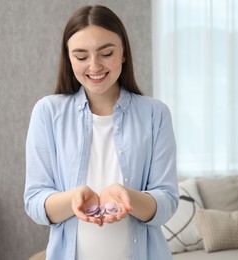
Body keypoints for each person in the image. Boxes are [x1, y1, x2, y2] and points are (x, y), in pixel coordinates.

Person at [24, 5, 178, 260]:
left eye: (106, 53)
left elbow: (168, 201)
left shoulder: (155, 114)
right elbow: (35, 201)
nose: (94, 66)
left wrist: (129, 197)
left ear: (124, 53)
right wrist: (74, 198)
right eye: (81, 56)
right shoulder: (47, 113)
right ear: (69, 58)